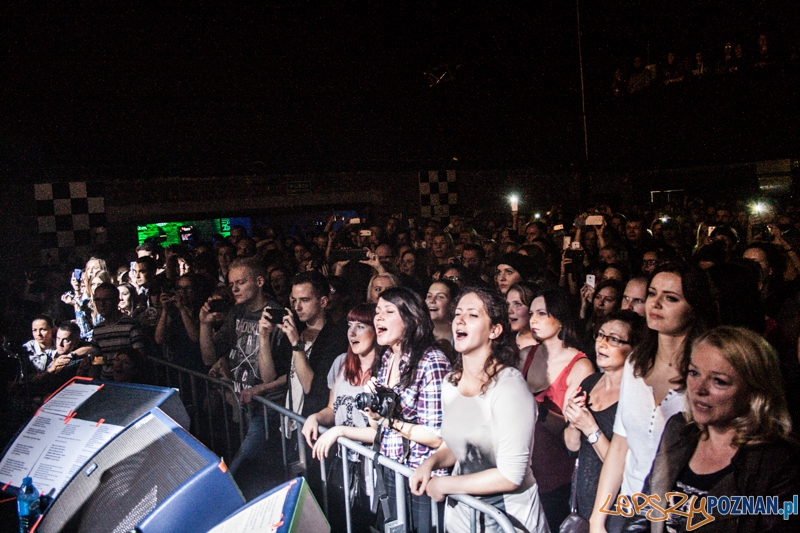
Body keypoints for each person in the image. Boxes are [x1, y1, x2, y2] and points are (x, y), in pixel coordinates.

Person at [623, 327, 799, 532]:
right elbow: (645, 513)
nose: (698, 389)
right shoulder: (679, 430)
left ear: (753, 392)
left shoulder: (779, 463)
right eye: (694, 372)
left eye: (718, 381)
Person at [590, 262, 718, 533]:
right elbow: (621, 445)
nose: (655, 304)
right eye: (652, 294)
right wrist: (598, 519)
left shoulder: (706, 374)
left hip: (682, 515)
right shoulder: (635, 363)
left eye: (670, 298)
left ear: (695, 307)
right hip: (629, 510)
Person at [409, 287, 548, 533]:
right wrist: (430, 462)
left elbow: (510, 476)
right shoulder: (451, 382)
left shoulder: (509, 388)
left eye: (473, 315)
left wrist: (445, 485)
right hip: (464, 517)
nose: (460, 320)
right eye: (458, 313)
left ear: (495, 330)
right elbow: (458, 444)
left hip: (507, 520)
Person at [365, 287, 451, 533]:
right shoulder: (387, 358)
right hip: (392, 468)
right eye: (378, 311)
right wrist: (373, 413)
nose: (378, 317)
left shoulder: (431, 361)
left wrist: (390, 422)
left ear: (412, 320)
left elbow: (437, 436)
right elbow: (378, 426)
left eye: (388, 312)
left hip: (422, 476)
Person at [199, 257, 284, 479]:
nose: (235, 289)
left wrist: (263, 336)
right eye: (232, 284)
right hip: (240, 401)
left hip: (267, 406)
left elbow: (273, 376)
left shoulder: (275, 313)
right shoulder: (237, 313)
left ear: (259, 282)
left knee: (241, 467)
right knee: (249, 467)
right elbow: (209, 358)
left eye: (241, 282)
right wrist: (205, 325)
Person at [301, 303, 380, 532]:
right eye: (349, 325)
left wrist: (339, 431)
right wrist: (315, 417)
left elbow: (381, 433)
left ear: (378, 330)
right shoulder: (341, 364)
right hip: (343, 462)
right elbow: (332, 410)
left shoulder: (386, 371)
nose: (352, 332)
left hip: (372, 468)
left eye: (360, 326)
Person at [563, 310, 646, 522]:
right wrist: (574, 423)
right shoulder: (589, 383)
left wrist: (591, 429)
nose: (602, 343)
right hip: (582, 503)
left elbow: (626, 466)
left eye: (614, 339)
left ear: (634, 349)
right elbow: (572, 447)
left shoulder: (639, 395)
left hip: (616, 509)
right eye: (600, 335)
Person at [525, 287, 595, 530]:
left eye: (542, 313)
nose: (533, 319)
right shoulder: (524, 355)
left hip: (555, 476)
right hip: (521, 469)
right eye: (532, 312)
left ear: (561, 316)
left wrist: (537, 410)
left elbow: (571, 435)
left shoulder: (580, 366)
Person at [86, 283, 147, 381]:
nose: (101, 304)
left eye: (106, 300)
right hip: (106, 383)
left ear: (116, 301)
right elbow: (97, 361)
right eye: (98, 300)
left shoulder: (131, 326)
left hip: (127, 384)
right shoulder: (98, 330)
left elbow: (139, 358)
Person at [426, 279, 459, 362]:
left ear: (452, 303)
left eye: (440, 297)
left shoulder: (461, 335)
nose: (432, 301)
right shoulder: (420, 334)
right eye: (429, 296)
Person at [506, 282, 537, 361]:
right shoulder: (503, 341)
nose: (510, 311)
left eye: (518, 304)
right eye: (507, 305)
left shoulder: (547, 344)